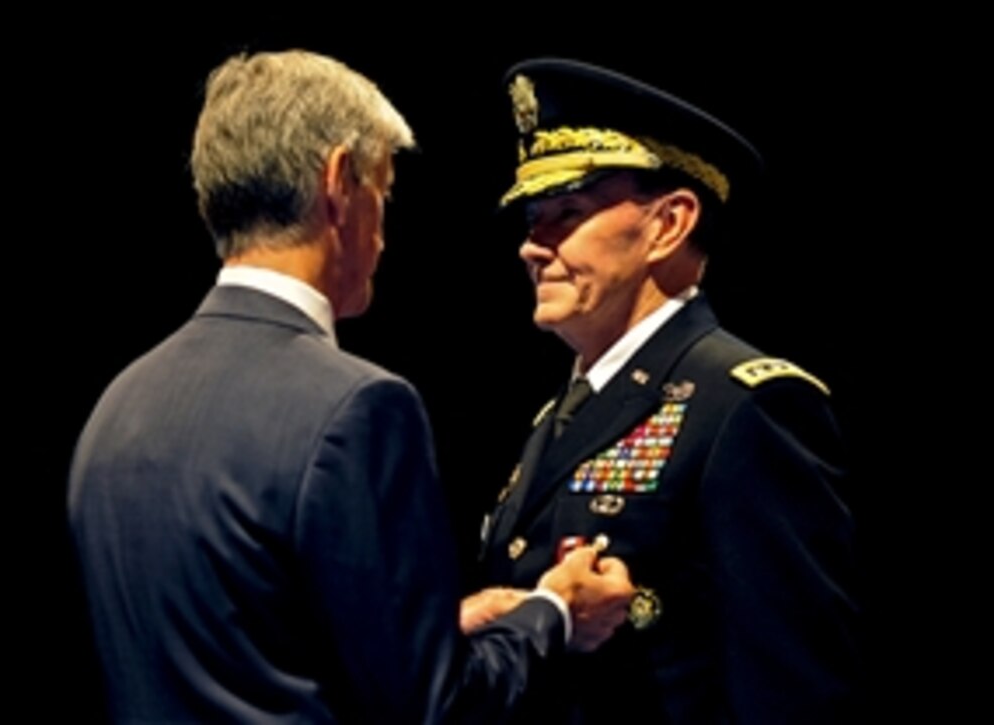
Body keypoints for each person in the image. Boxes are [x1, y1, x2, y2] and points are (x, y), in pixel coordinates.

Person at [67, 50, 635, 724]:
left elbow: (251, 650)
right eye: (384, 190)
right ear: (339, 182)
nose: (385, 234)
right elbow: (436, 711)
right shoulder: (356, 407)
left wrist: (437, 633)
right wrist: (554, 613)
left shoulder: (121, 403)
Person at [470, 58, 861, 724]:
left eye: (567, 212)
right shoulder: (560, 413)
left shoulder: (744, 405)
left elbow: (792, 687)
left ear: (670, 223)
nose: (531, 248)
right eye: (532, 218)